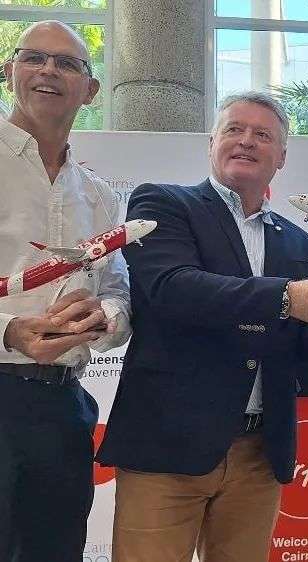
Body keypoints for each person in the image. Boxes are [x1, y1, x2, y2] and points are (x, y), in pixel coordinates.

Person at [96, 91, 308, 562]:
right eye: (234, 130)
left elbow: (298, 343)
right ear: (212, 142)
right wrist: (287, 297)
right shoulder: (162, 204)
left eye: (262, 135)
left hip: (258, 454)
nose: (246, 141)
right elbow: (172, 289)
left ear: (282, 156)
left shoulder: (300, 242)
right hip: (168, 448)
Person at [0, 21, 131, 562]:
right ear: (11, 73)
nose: (49, 70)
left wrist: (101, 317)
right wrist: (9, 330)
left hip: (64, 406)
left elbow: (120, 295)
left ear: (91, 89)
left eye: (67, 63)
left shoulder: (100, 196)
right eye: (34, 57)